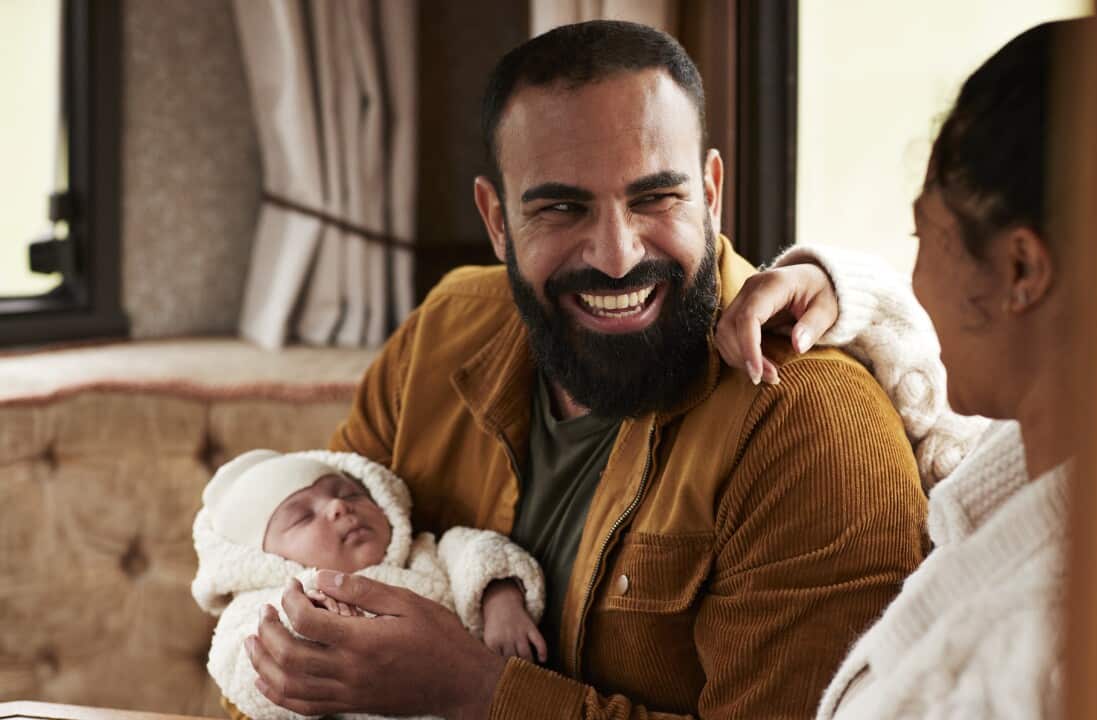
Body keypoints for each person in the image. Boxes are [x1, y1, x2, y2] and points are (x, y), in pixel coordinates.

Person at [239, 20, 933, 720]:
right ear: (497, 219)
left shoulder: (813, 428)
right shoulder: (443, 334)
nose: (617, 255)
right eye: (562, 208)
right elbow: (281, 609)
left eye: (655, 198)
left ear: (711, 191)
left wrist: (476, 692)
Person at [716, 20, 1086, 718]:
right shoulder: (1042, 455)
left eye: (926, 236)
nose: (914, 279)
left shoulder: (1045, 656)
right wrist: (848, 293)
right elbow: (949, 436)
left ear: (1021, 269)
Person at [192, 449, 546, 720]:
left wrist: (501, 600)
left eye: (349, 494)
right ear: (265, 558)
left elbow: (480, 551)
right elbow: (236, 664)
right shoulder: (264, 603)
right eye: (302, 516)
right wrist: (301, 629)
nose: (336, 507)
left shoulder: (426, 552)